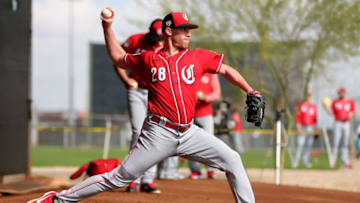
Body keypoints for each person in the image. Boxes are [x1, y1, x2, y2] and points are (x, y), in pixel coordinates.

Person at [28, 9, 259, 203]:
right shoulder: (149, 59)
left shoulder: (197, 56)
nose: (188, 33)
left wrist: (250, 90)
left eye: (189, 29)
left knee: (233, 160)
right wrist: (107, 27)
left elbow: (226, 69)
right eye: (183, 29)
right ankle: (57, 199)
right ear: (169, 32)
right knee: (120, 177)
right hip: (158, 133)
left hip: (189, 132)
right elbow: (119, 57)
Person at [115, 18, 163, 193]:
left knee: (156, 134)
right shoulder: (135, 40)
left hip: (156, 92)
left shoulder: (168, 45)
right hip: (136, 90)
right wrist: (126, 80)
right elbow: (118, 59)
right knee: (137, 131)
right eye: (154, 38)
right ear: (148, 32)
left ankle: (148, 180)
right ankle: (133, 178)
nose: (157, 42)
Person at [188, 73, 221, 179]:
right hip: (189, 113)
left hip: (206, 114)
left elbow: (217, 93)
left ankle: (211, 170)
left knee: (210, 142)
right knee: (190, 142)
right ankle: (195, 171)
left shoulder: (212, 74)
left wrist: (205, 97)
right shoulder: (190, 70)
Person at [326, 87, 356, 168]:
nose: (340, 94)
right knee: (336, 142)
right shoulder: (335, 102)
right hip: (337, 123)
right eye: (339, 92)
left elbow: (353, 111)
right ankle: (333, 161)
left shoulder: (350, 101)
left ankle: (345, 161)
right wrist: (326, 108)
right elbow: (331, 113)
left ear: (344, 93)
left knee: (345, 143)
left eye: (342, 92)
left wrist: (351, 114)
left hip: (346, 123)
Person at [292, 90, 317, 168]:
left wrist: (315, 129)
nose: (308, 96)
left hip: (311, 127)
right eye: (307, 95)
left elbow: (315, 118)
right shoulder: (301, 104)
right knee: (300, 144)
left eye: (309, 95)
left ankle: (306, 162)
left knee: (309, 145)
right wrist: (298, 126)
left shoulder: (313, 106)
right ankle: (295, 162)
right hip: (302, 126)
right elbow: (298, 116)